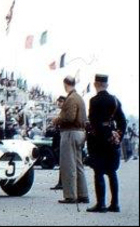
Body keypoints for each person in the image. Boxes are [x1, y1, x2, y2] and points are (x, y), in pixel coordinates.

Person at [86, 74, 127, 213]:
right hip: (112, 141)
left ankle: (101, 204)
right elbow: (122, 122)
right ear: (107, 85)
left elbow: (93, 123)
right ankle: (115, 204)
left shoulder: (94, 101)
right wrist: (117, 137)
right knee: (112, 172)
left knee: (98, 172)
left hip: (98, 142)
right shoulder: (115, 100)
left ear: (95, 84)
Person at [53, 76, 89, 205]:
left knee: (68, 165)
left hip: (70, 133)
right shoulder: (79, 98)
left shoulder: (71, 98)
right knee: (79, 165)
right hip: (80, 132)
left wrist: (57, 120)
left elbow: (69, 117)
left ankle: (70, 196)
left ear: (65, 84)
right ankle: (83, 194)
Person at [50, 96, 66, 190]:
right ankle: (61, 182)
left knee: (62, 162)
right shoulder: (61, 112)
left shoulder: (64, 113)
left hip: (61, 138)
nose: (59, 103)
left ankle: (62, 183)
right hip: (57, 139)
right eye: (58, 102)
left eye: (61, 102)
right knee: (61, 162)